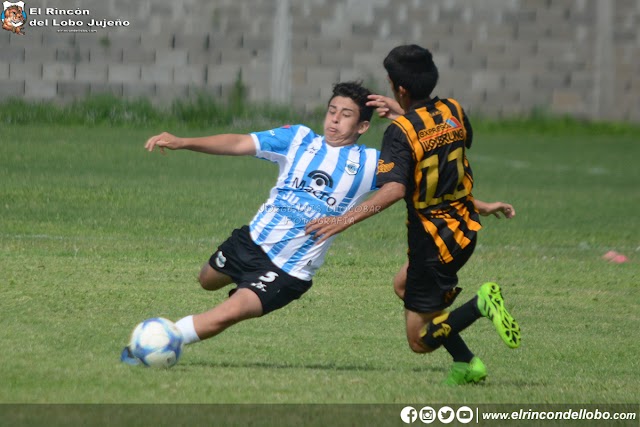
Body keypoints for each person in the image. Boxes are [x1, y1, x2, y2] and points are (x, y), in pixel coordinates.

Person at [305, 45, 521, 385]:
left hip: (434, 243)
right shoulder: (454, 110)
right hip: (464, 226)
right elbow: (447, 160)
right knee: (403, 285)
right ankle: (466, 363)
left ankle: (481, 304)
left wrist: (340, 221)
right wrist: (482, 204)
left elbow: (394, 190)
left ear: (398, 88)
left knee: (419, 341)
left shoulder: (400, 133)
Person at [121, 81, 380, 364]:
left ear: (362, 126)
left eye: (346, 115)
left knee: (227, 314)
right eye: (332, 111)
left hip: (287, 269)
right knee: (206, 280)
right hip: (252, 241)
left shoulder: (369, 163)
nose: (335, 119)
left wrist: (347, 219)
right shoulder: (299, 139)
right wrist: (184, 142)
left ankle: (155, 346)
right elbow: (238, 142)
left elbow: (401, 185)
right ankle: (242, 283)